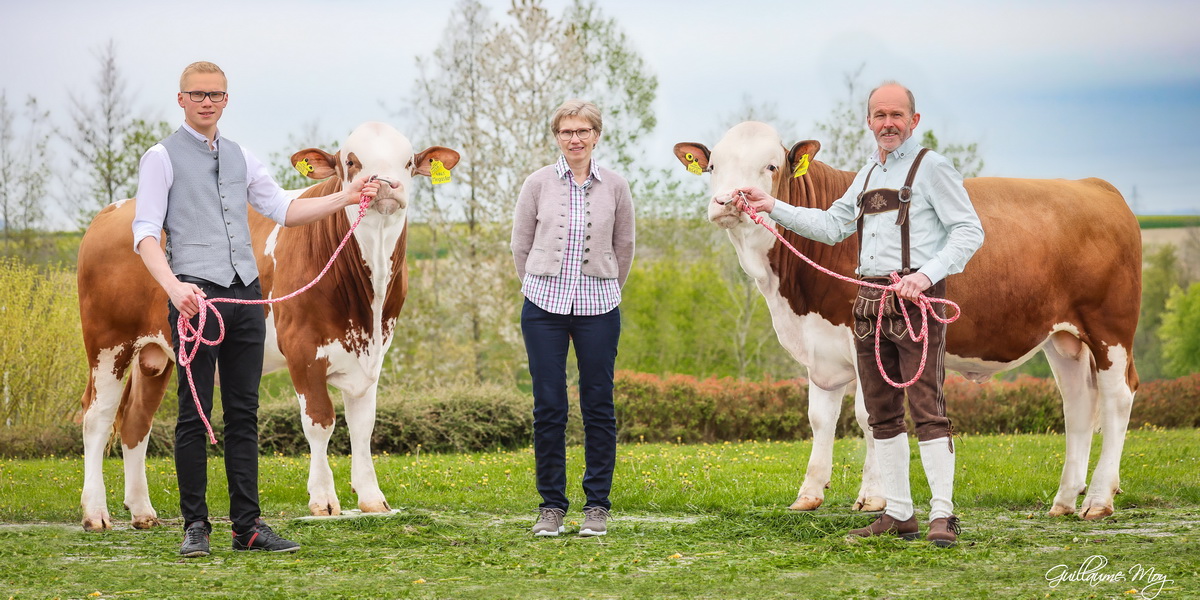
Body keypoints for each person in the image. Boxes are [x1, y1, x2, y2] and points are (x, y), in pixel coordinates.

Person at [132, 61, 379, 557]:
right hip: (195, 298)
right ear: (181, 100)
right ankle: (195, 527)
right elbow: (144, 234)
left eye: (216, 94)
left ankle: (247, 526)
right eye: (198, 94)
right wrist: (175, 288)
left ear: (227, 100)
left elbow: (284, 209)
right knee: (194, 416)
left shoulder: (241, 156)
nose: (207, 101)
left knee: (244, 414)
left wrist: (345, 196)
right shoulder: (160, 158)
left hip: (245, 296)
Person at [735, 82, 984, 547]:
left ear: (914, 120)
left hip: (915, 301)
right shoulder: (869, 173)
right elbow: (832, 226)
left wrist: (926, 276)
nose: (887, 123)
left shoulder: (932, 168)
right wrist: (773, 206)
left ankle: (943, 515)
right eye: (879, 115)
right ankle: (899, 512)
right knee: (882, 414)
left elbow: (969, 231)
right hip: (868, 303)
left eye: (896, 115)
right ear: (869, 122)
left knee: (928, 410)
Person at [510, 99, 636, 537]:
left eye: (583, 131)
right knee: (549, 406)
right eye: (567, 132)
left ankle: (597, 505)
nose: (575, 139)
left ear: (596, 135)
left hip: (599, 307)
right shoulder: (537, 183)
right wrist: (535, 284)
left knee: (598, 405)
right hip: (543, 307)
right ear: (557, 137)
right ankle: (551, 507)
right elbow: (520, 246)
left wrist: (609, 286)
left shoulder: (616, 186)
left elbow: (625, 247)